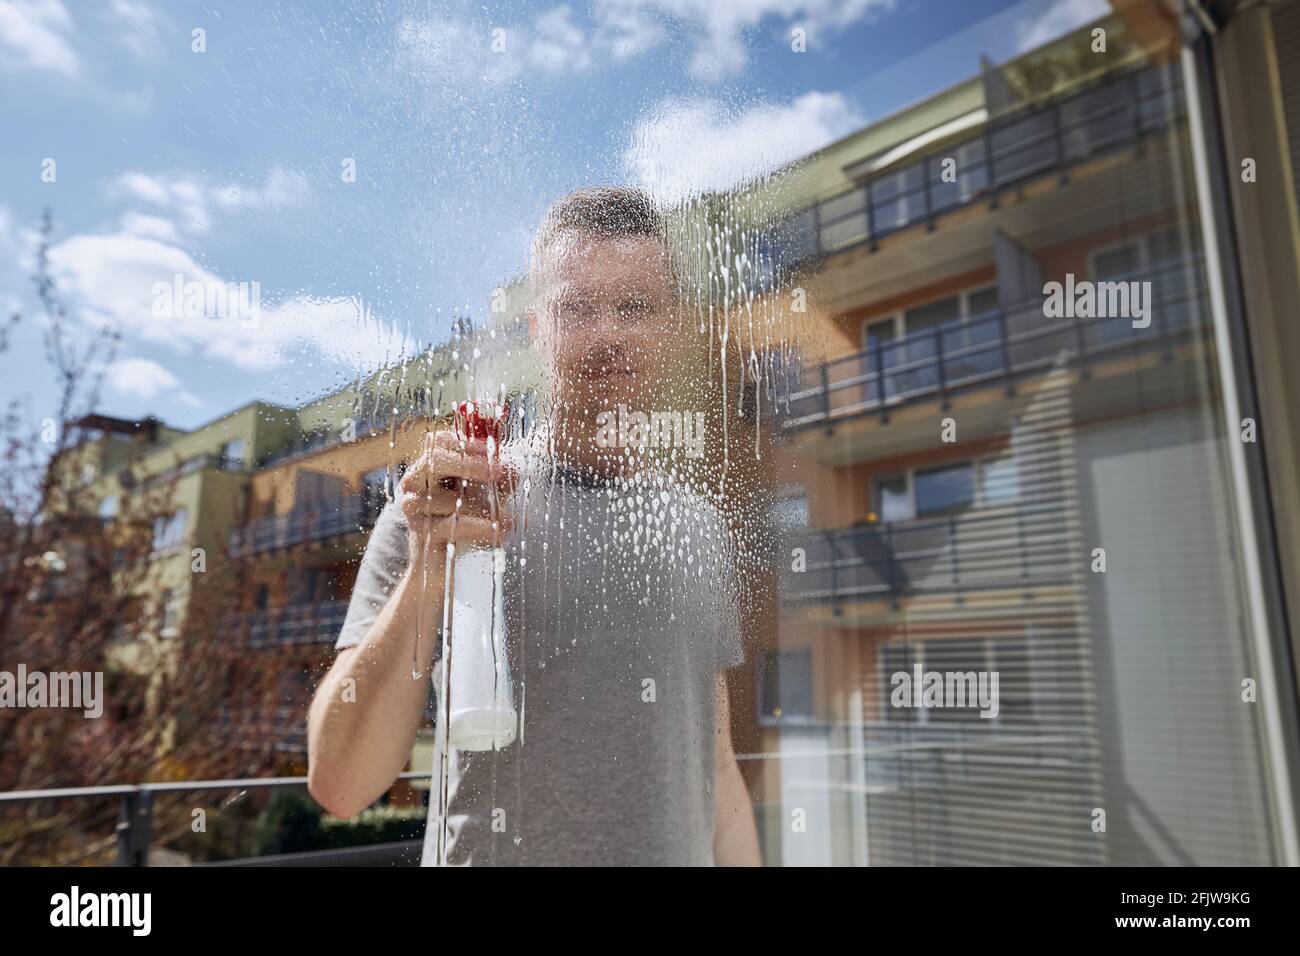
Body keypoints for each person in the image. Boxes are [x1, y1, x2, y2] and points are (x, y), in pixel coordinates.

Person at [307, 186, 760, 866]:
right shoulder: (448, 508)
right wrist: (430, 569)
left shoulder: (700, 529)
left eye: (633, 308)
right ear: (538, 329)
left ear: (669, 327)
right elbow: (341, 785)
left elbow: (717, 769)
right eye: (577, 308)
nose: (607, 333)